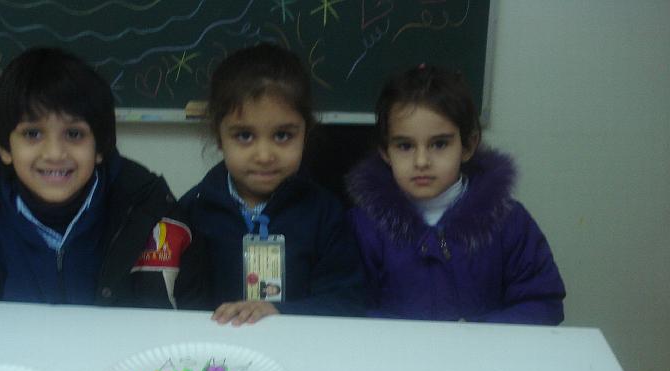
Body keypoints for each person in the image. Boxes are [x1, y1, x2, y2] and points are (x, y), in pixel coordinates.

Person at [0, 47, 204, 309]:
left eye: (74, 134)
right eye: (32, 134)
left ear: (100, 148)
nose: (54, 153)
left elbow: (189, 317)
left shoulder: (147, 210)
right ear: (4, 147)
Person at [347, 64, 565, 324]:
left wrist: (477, 334)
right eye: (405, 146)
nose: (421, 161)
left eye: (439, 144)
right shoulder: (363, 226)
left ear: (467, 146)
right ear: (385, 152)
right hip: (395, 350)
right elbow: (349, 309)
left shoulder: (509, 221)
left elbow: (542, 303)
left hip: (485, 349)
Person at [179, 43, 363, 325]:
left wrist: (281, 312)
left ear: (305, 133)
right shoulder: (193, 211)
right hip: (217, 346)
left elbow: (347, 301)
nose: (264, 156)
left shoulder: (325, 213)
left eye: (282, 136)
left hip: (301, 345)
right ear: (219, 137)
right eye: (244, 136)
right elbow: (181, 305)